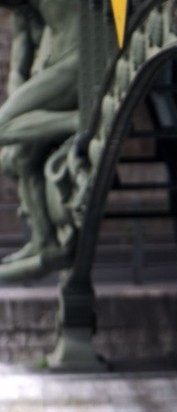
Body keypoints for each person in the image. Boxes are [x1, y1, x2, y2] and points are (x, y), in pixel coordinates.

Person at [0, 0, 80, 265]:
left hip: (77, 62)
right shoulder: (25, 15)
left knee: (2, 127)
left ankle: (78, 122)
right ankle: (44, 241)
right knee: (20, 154)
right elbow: (17, 66)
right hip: (61, 63)